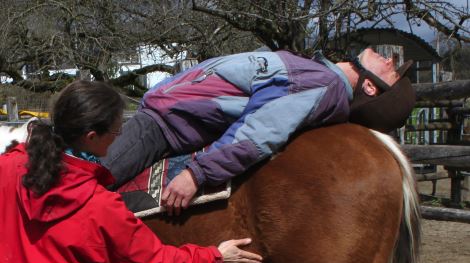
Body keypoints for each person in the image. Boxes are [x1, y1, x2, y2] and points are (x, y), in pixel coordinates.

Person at [0, 81, 263, 263]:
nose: (120, 136)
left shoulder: (7, 167)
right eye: (117, 131)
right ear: (92, 137)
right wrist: (215, 257)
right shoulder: (96, 204)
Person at [101, 47, 416, 215]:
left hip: (163, 123)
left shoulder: (324, 85)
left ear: (371, 87)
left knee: (85, 179)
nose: (389, 58)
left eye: (392, 70)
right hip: (167, 116)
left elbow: (259, 131)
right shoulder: (323, 77)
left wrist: (196, 174)